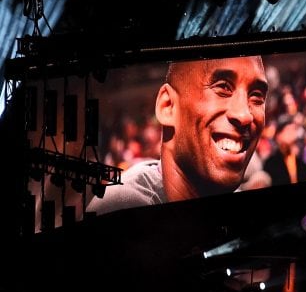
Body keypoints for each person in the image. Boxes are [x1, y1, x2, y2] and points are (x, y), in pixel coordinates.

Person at [87, 56, 268, 214]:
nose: (244, 115)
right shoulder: (123, 207)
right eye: (223, 87)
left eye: (257, 96)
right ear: (168, 106)